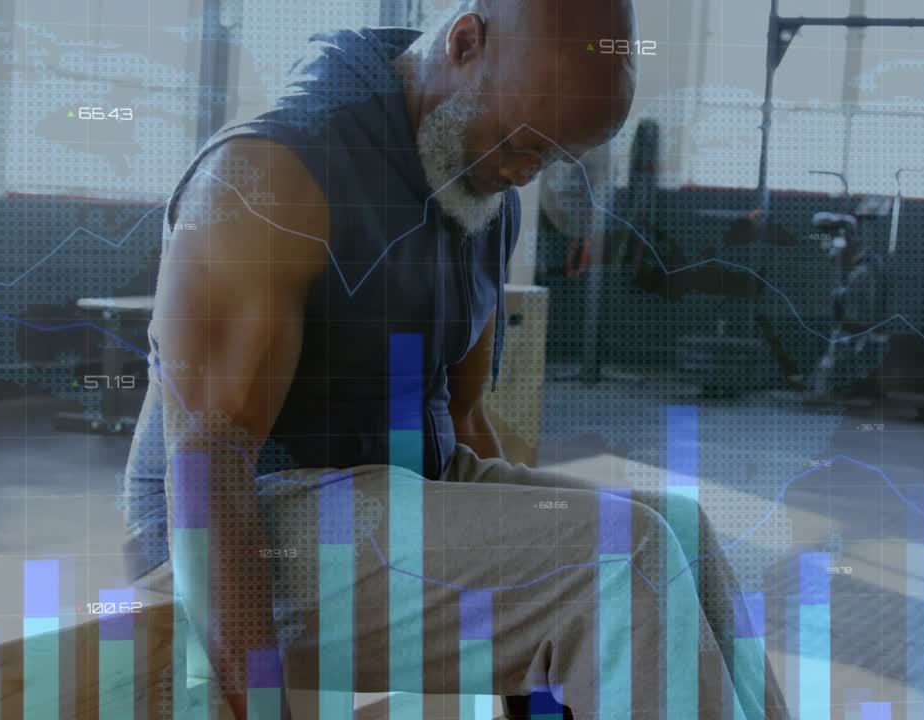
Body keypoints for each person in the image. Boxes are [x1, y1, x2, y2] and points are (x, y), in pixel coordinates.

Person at [122, 1, 790, 717]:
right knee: (621, 559)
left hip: (403, 490)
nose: (526, 174)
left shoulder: (483, 197)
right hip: (240, 523)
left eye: (551, 157)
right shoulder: (268, 176)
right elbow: (207, 468)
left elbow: (465, 423)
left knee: (677, 533)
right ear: (466, 41)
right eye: (520, 142)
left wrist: (534, 669)